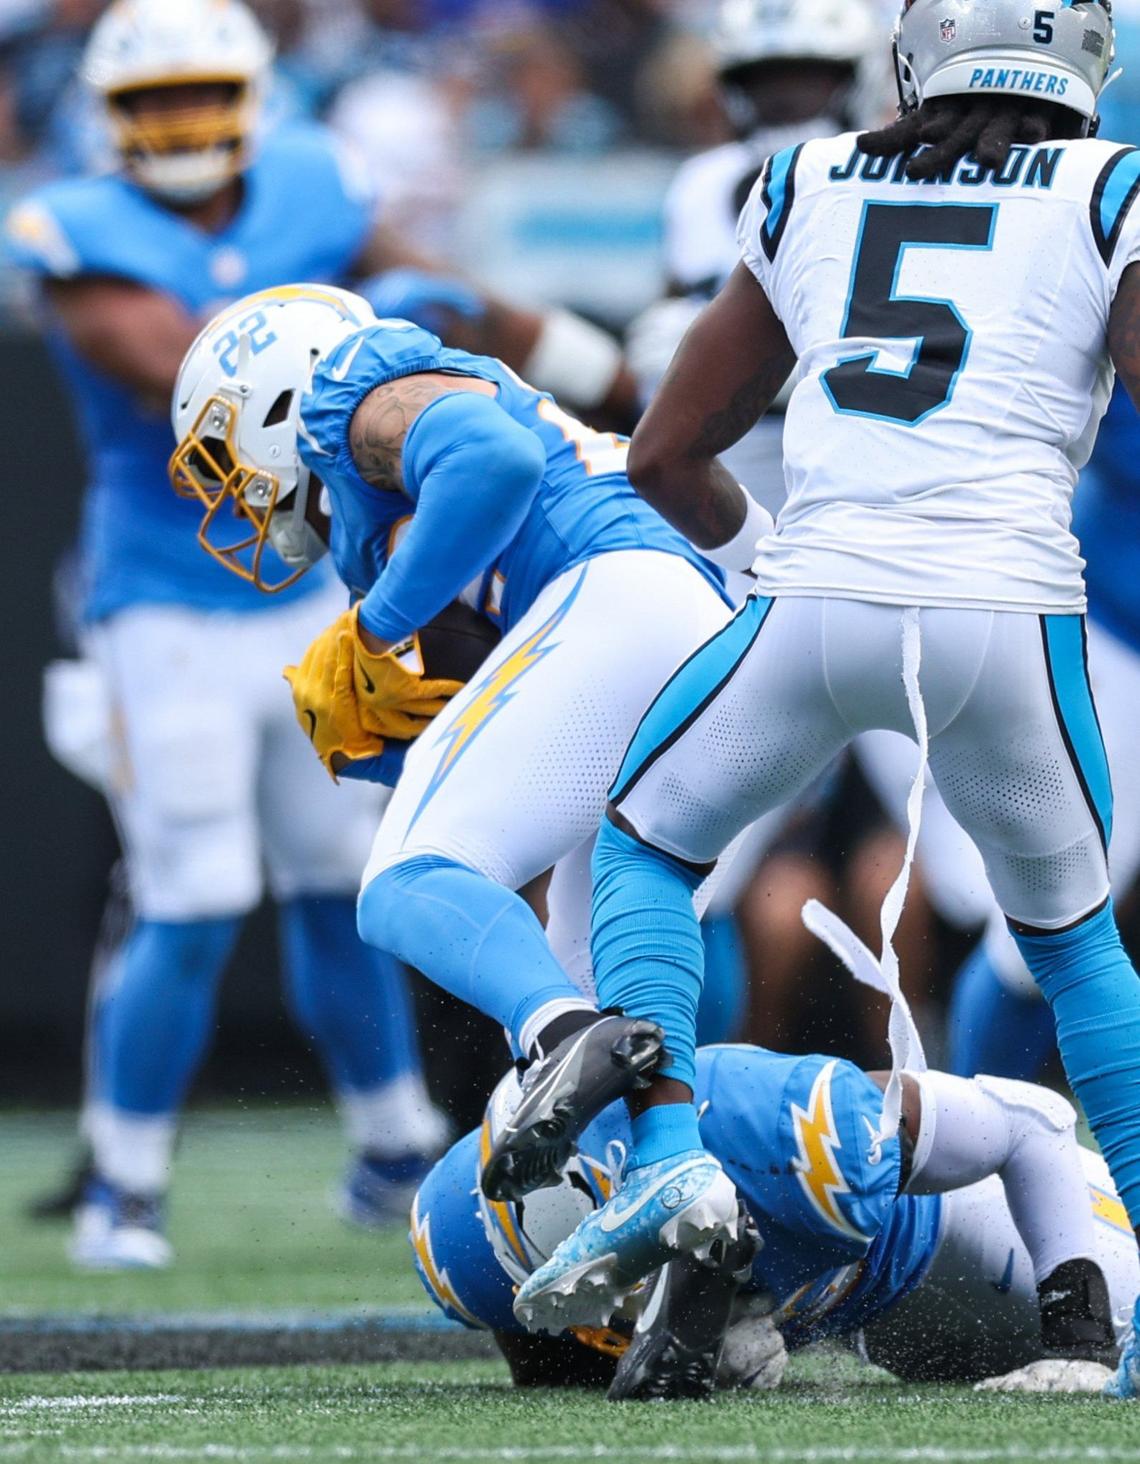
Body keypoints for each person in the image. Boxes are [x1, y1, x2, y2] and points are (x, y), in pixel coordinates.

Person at [509, 0, 1140, 1405]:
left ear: (914, 56)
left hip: (819, 593)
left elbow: (668, 452)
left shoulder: (810, 177)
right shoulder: (1113, 187)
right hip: (1008, 605)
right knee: (1081, 953)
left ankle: (668, 1164)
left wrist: (757, 567)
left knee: (648, 848)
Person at [4, 0, 632, 1269]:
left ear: (250, 99)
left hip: (302, 595)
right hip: (161, 606)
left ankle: (392, 1141)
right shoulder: (80, 231)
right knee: (192, 891)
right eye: (153, 104)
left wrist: (602, 364)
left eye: (201, 97)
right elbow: (181, 364)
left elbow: (450, 295)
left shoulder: (314, 181)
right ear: (109, 119)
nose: (182, 127)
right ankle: (124, 1177)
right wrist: (375, 309)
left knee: (341, 877)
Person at [167, 279, 758, 1207]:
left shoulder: (349, 388)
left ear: (276, 401)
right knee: (604, 985)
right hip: (697, 639)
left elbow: (494, 461)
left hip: (621, 594)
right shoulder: (380, 517)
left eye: (222, 451)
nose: (231, 488)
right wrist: (391, 742)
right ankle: (685, 1221)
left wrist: (377, 628)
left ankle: (561, 1039)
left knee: (406, 877)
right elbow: (504, 722)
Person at [412, 1044, 1138, 1398]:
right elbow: (564, 1377)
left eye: (619, 1263)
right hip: (881, 1333)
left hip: (975, 1243)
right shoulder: (467, 1233)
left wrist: (1077, 1338)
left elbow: (1034, 1123)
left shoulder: (773, 1129)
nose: (614, 1305)